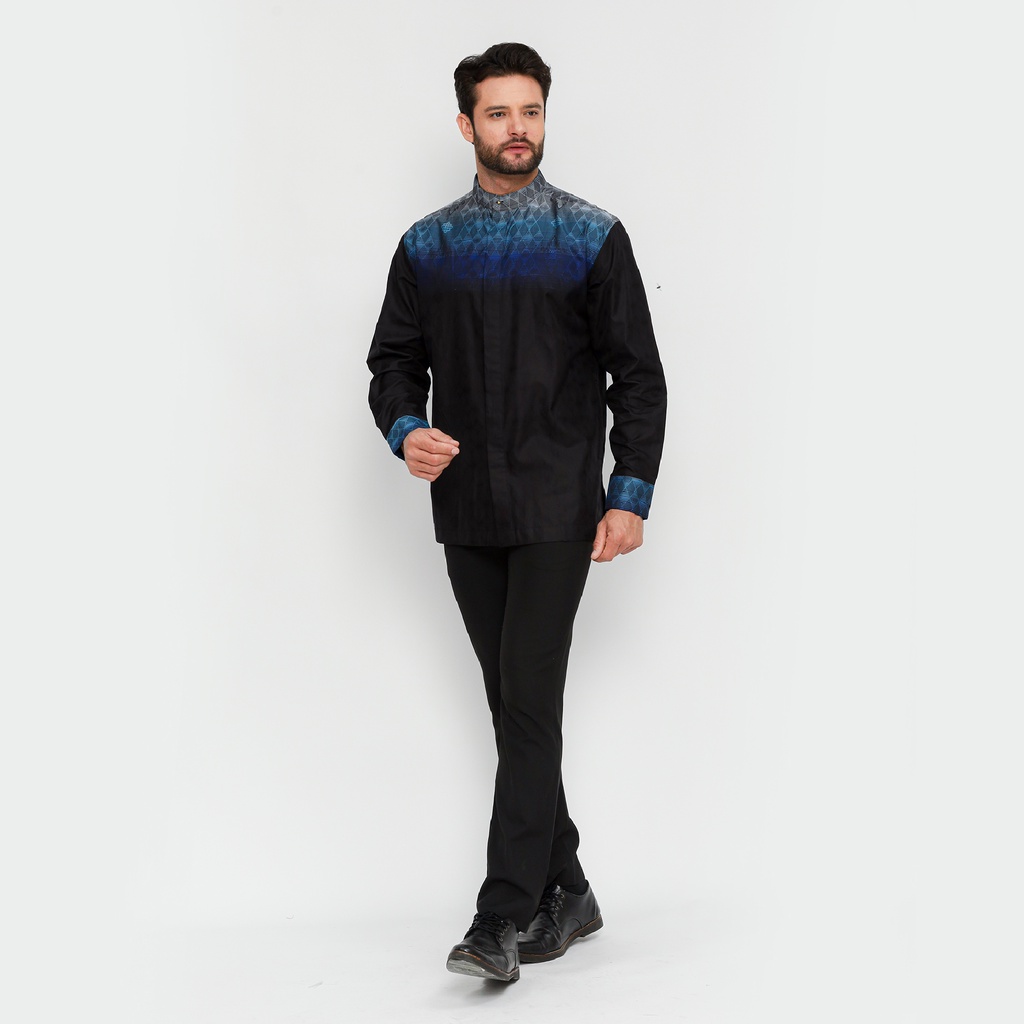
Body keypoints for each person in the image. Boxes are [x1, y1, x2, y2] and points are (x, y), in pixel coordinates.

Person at [366, 42, 667, 983]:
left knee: (527, 699)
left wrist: (629, 494)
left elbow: (638, 374)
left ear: (544, 116)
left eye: (529, 110)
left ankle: (501, 917)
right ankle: (569, 889)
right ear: (467, 125)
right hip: (466, 510)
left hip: (556, 506)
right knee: (513, 706)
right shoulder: (427, 245)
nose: (517, 128)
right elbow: (392, 362)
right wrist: (406, 429)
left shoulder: (591, 235)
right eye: (497, 113)